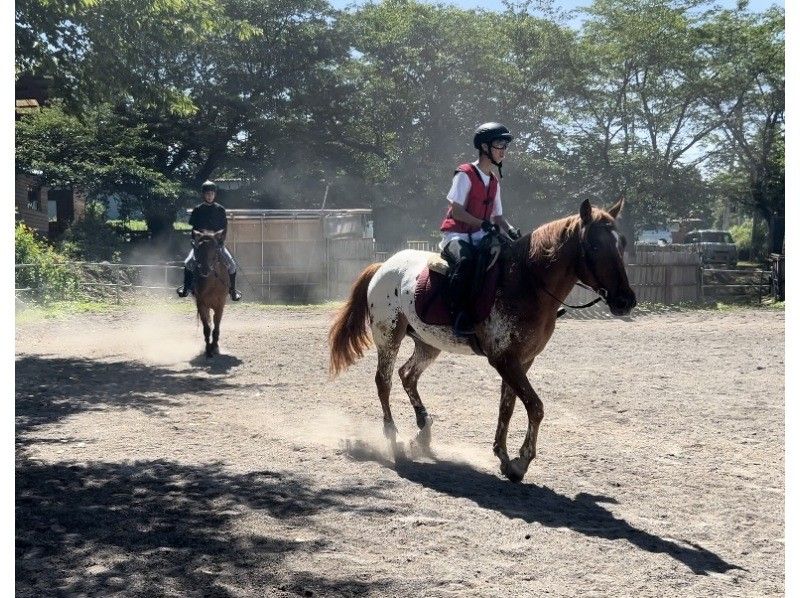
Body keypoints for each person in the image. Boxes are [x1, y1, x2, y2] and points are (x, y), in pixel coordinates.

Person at [439, 122, 522, 336]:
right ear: (485, 147)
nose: (503, 150)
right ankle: (458, 316)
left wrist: (511, 230)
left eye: (505, 145)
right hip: (456, 235)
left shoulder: (494, 181)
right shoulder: (465, 174)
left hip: (481, 236)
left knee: (513, 258)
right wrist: (482, 224)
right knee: (466, 261)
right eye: (499, 144)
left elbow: (499, 217)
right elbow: (457, 212)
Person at [176, 180, 242, 301]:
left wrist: (221, 241)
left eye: (211, 194)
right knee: (188, 263)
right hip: (200, 244)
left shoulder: (220, 210)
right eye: (207, 194)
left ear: (214, 195)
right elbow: (194, 228)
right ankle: (185, 289)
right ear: (203, 195)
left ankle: (232, 291)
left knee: (232, 265)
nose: (209, 196)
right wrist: (194, 241)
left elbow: (224, 228)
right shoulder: (198, 209)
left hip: (217, 244)